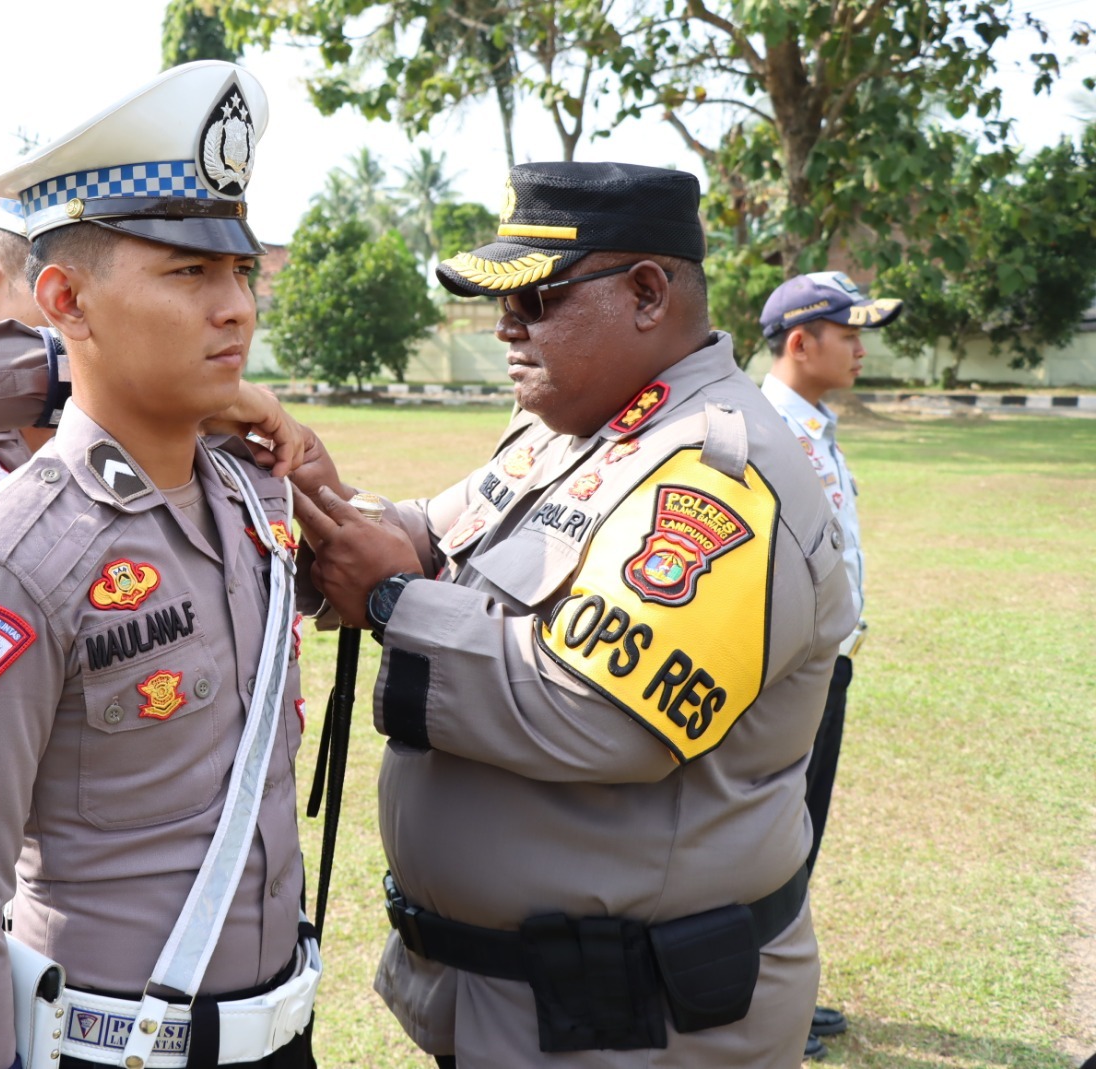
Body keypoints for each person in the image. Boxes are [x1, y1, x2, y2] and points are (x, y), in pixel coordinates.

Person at [290, 162, 856, 1068]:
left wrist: (392, 602)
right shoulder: (571, 427)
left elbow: (599, 712)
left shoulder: (719, 470)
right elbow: (433, 535)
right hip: (535, 1004)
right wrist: (312, 497)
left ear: (645, 293)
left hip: (636, 1022)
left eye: (538, 296)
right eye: (500, 300)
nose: (506, 324)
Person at [0, 61, 320, 1069]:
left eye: (240, 271)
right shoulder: (8, 563)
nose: (237, 308)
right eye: (187, 273)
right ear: (64, 299)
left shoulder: (255, 498)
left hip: (282, 1035)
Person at [758, 271, 900, 1059]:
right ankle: (759, 995)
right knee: (775, 830)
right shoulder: (765, 428)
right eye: (848, 332)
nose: (859, 346)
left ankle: (781, 984)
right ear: (801, 341)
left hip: (825, 664)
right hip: (787, 672)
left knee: (801, 827)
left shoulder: (810, 423)